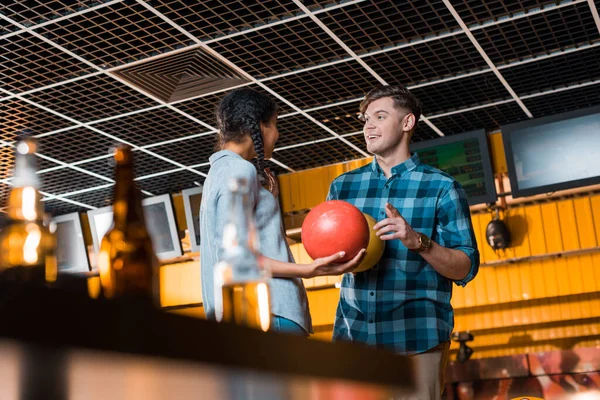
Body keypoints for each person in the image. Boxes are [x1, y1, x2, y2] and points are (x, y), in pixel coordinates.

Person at [327, 85, 480, 399]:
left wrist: (417, 241)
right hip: (354, 340)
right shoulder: (343, 187)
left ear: (407, 123)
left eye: (380, 117)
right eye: (365, 119)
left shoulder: (442, 188)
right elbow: (329, 260)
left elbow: (466, 267)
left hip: (417, 339)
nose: (368, 126)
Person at [200, 88, 365, 336]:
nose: (277, 134)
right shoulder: (239, 171)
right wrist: (309, 271)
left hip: (243, 315)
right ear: (260, 125)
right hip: (271, 311)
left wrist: (268, 200)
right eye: (275, 125)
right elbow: (237, 260)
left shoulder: (217, 174)